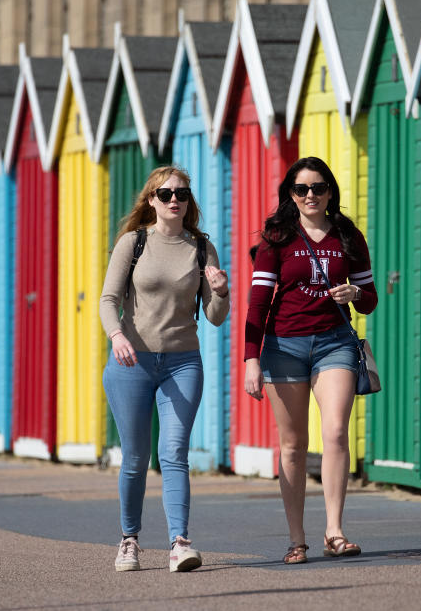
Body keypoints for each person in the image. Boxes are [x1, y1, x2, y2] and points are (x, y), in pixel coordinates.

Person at [244, 156, 378, 564]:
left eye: (318, 187)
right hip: (284, 347)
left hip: (334, 343)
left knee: (336, 432)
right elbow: (257, 305)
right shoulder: (276, 239)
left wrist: (355, 295)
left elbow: (370, 299)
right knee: (294, 444)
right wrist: (252, 360)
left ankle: (334, 531)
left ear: (330, 191)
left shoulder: (348, 235)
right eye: (301, 189)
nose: (310, 195)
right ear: (291, 194)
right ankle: (296, 538)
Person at [100, 166, 230, 573]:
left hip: (182, 362)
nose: (175, 200)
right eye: (166, 193)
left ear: (189, 202)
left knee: (174, 453)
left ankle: (180, 543)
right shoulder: (133, 243)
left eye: (183, 194)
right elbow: (107, 300)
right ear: (152, 200)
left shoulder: (202, 249)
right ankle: (129, 540)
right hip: (132, 361)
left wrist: (222, 292)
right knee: (136, 457)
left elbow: (215, 317)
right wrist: (117, 335)